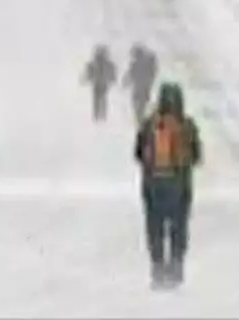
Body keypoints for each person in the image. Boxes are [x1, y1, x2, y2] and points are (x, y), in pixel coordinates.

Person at [134, 81, 202, 288]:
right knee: (178, 226)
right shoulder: (187, 125)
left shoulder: (149, 124)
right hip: (179, 184)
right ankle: (175, 268)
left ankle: (157, 269)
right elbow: (197, 156)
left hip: (152, 184)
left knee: (155, 227)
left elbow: (138, 153)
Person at [82, 44, 118, 123]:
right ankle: (99, 118)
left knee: (99, 102)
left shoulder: (95, 63)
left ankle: (100, 118)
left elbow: (88, 74)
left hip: (100, 85)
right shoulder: (98, 64)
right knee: (100, 101)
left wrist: (85, 79)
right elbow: (88, 74)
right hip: (100, 85)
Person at [127, 43, 159, 124]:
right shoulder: (141, 63)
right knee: (141, 104)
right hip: (145, 87)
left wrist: (126, 82)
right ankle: (141, 119)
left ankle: (140, 120)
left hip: (140, 87)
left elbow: (131, 73)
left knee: (138, 104)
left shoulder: (137, 63)